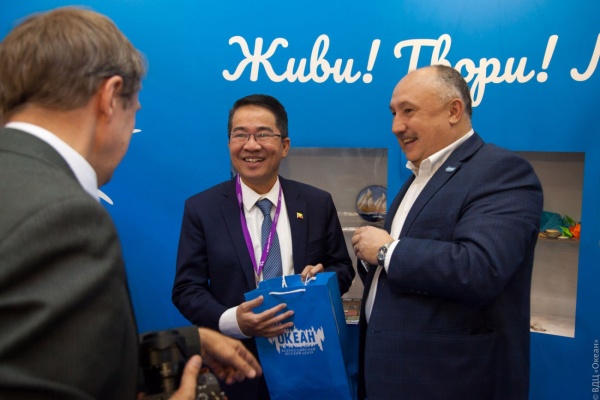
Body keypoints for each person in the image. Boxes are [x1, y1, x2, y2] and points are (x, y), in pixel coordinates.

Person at [0, 7, 260, 400]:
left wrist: (187, 343)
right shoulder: (63, 216)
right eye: (133, 110)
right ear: (109, 97)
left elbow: (40, 353)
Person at [351, 65, 543, 400]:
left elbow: (479, 267)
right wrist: (373, 258)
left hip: (450, 381)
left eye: (408, 111)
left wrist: (386, 251)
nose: (396, 126)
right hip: (394, 375)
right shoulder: (419, 176)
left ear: (454, 110)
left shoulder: (501, 171)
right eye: (394, 113)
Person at [172, 93, 356, 400]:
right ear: (229, 143)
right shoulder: (202, 208)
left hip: (310, 357)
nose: (251, 145)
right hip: (239, 365)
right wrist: (234, 321)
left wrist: (323, 279)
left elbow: (343, 268)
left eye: (263, 134)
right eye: (240, 135)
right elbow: (186, 289)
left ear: (284, 146)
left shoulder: (316, 203)